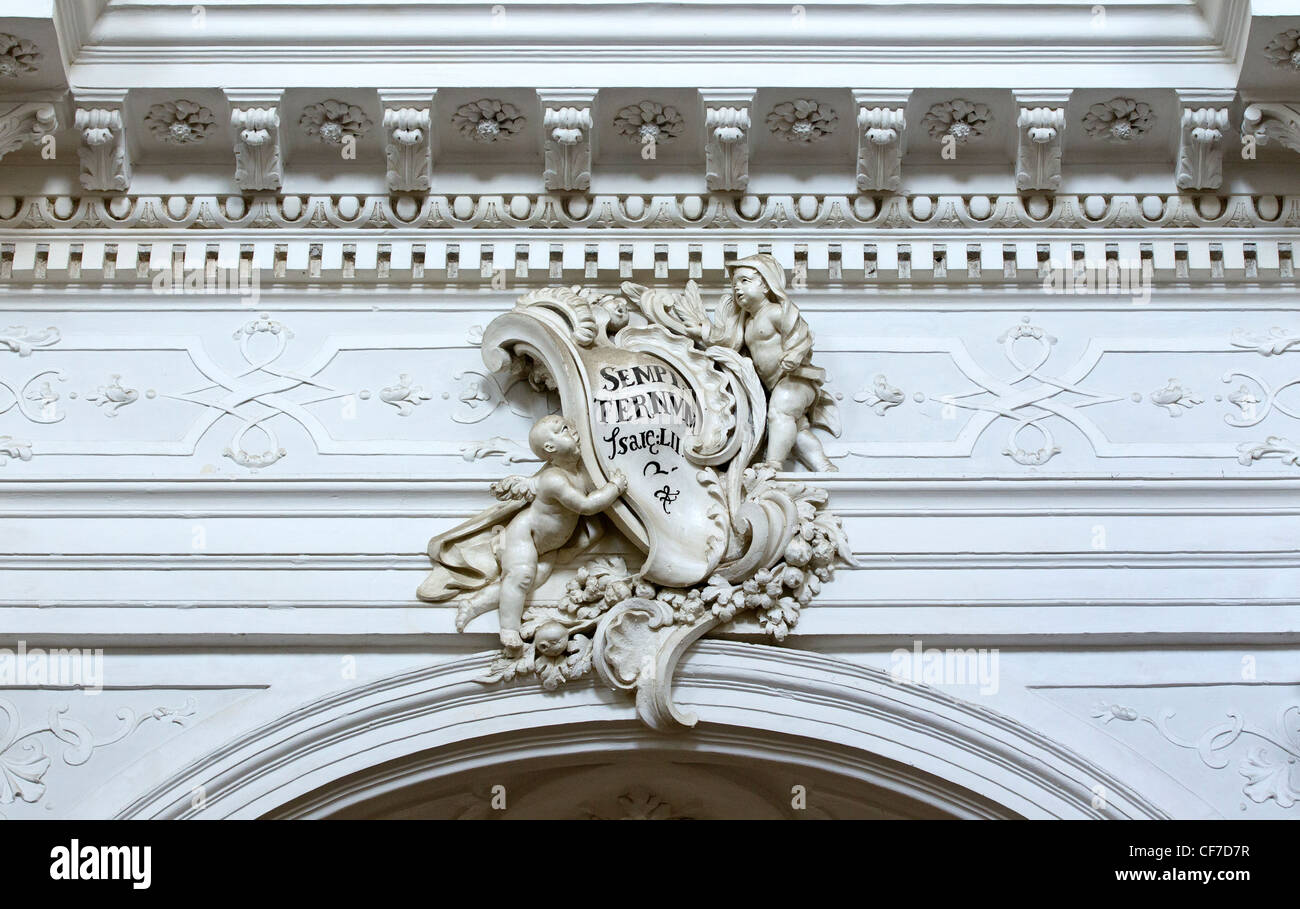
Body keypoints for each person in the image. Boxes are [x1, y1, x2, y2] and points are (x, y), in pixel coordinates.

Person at [416, 414, 626, 650]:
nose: (573, 430)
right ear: (550, 447)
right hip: (523, 537)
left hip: (547, 547)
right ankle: (509, 628)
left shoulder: (578, 472)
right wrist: (614, 488)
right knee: (521, 578)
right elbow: (585, 506)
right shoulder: (553, 479)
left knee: (531, 582)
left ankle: (475, 605)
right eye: (563, 429)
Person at [694, 254, 839, 471]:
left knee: (779, 412)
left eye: (745, 281)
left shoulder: (775, 312)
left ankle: (773, 464)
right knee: (795, 430)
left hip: (795, 379)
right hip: (777, 385)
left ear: (765, 285)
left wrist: (795, 355)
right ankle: (824, 467)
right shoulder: (746, 322)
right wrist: (702, 332)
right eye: (734, 285)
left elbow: (803, 335)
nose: (737, 288)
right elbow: (727, 341)